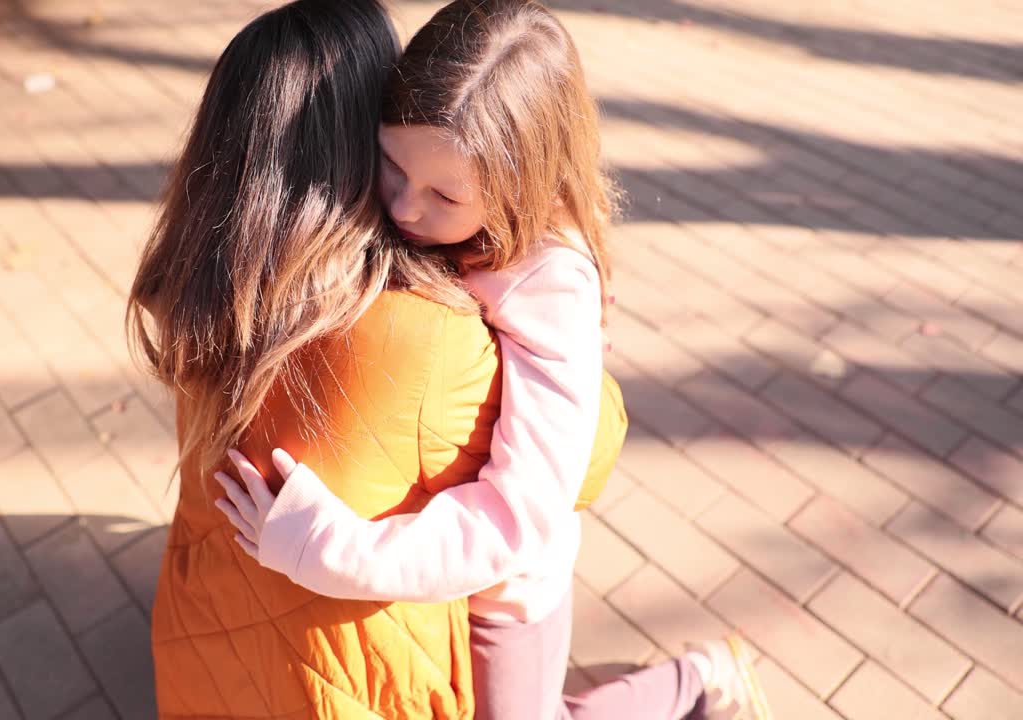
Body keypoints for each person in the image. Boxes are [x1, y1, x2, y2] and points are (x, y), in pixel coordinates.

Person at [214, 2, 772, 719]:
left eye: (446, 194)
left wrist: (328, 547)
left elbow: (518, 517)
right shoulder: (438, 209)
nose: (406, 209)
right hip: (429, 565)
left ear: (519, 189)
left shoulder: (552, 284)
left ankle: (699, 679)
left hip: (504, 596)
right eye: (391, 166)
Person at [127, 0, 510, 716]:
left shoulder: (193, 278)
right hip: (345, 686)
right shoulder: (428, 334)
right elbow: (579, 461)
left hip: (199, 652)